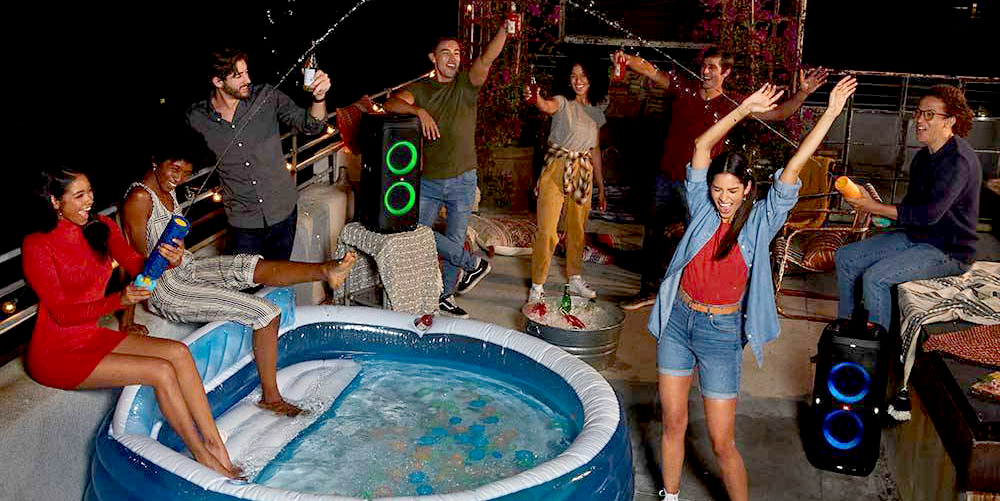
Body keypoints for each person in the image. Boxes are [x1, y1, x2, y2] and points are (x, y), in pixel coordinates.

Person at [647, 77, 857, 501]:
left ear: (747, 190)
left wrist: (832, 112)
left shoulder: (760, 221)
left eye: (732, 191)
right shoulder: (702, 209)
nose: (723, 199)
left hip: (721, 334)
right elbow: (702, 146)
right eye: (716, 190)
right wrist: (743, 109)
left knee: (722, 442)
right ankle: (669, 496)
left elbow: (794, 166)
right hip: (678, 323)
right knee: (673, 423)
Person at [121, 126, 356, 417]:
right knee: (265, 313)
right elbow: (131, 262)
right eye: (175, 169)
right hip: (168, 289)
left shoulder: (167, 190)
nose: (179, 179)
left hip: (186, 267)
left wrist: (178, 256)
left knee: (250, 265)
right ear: (156, 160)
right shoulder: (140, 199)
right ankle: (271, 398)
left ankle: (326, 270)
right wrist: (128, 319)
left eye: (185, 173)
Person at [22, 168, 241, 478]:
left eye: (90, 191)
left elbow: (138, 266)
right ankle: (204, 459)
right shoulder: (37, 245)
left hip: (89, 335)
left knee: (179, 352)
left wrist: (169, 259)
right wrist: (119, 301)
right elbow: (62, 313)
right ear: (56, 202)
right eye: (79, 196)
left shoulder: (101, 226)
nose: (89, 201)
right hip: (55, 354)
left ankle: (217, 447)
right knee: (160, 371)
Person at [618, 48, 829, 310]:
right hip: (666, 175)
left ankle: (691, 291)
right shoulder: (685, 88)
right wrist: (627, 59)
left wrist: (803, 93)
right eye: (704, 66)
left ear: (726, 72)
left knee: (699, 237)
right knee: (653, 233)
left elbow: (779, 114)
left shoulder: (732, 103)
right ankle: (648, 290)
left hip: (699, 185)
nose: (705, 71)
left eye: (713, 67)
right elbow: (652, 71)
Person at [383, 26, 517, 318]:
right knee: (414, 233)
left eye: (457, 53)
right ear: (433, 58)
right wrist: (418, 111)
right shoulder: (421, 89)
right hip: (430, 181)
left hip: (463, 180)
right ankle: (471, 264)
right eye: (445, 53)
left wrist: (505, 30)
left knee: (454, 239)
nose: (453, 58)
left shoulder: (466, 85)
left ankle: (444, 296)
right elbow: (390, 103)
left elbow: (487, 58)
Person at [835, 85, 980, 331]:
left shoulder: (958, 161)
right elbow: (913, 208)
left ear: (950, 121)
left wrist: (875, 207)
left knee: (875, 278)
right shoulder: (923, 157)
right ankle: (847, 333)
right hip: (918, 237)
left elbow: (928, 215)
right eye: (919, 112)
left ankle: (876, 349)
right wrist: (879, 214)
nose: (919, 120)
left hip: (949, 251)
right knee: (845, 257)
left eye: (929, 114)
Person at [186, 47, 332, 260]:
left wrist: (319, 97)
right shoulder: (196, 117)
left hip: (283, 213)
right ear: (218, 82)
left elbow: (311, 126)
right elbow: (183, 157)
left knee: (278, 277)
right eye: (239, 76)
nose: (248, 79)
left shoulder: (267, 96)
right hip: (242, 224)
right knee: (242, 281)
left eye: (247, 72)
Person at [524, 58, 608, 303]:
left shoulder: (596, 109)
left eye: (583, 76)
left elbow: (595, 150)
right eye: (573, 76)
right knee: (547, 230)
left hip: (583, 170)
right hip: (556, 168)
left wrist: (601, 187)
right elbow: (546, 106)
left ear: (592, 79)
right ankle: (538, 284)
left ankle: (574, 277)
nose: (578, 81)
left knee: (577, 229)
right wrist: (536, 98)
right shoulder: (562, 101)